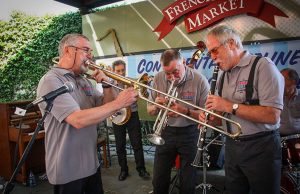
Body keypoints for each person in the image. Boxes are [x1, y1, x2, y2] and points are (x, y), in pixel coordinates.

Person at [37, 33, 138, 194]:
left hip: (91, 165)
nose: (90, 56)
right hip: (68, 169)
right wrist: (119, 102)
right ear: (68, 50)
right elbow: (77, 120)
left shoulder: (83, 80)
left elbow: (107, 107)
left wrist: (107, 85)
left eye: (91, 51)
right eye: (86, 50)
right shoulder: (52, 80)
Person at [199, 25, 284, 194]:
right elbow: (222, 116)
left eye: (215, 51)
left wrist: (228, 105)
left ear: (231, 43)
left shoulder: (263, 66)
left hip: (261, 147)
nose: (213, 58)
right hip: (231, 146)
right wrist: (210, 119)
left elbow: (272, 115)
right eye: (210, 54)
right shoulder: (223, 76)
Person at [147, 49, 209, 194]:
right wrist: (157, 105)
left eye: (175, 72)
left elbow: (207, 116)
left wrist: (184, 111)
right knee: (159, 179)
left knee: (188, 181)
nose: (171, 77)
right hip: (165, 132)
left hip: (190, 133)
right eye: (167, 73)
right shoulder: (158, 78)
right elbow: (150, 110)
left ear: (184, 63)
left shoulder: (199, 80)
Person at [110, 59, 150, 181]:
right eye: (118, 71)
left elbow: (145, 95)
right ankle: (123, 170)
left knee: (137, 143)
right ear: (113, 71)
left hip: (132, 114)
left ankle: (141, 169)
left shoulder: (131, 81)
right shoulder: (109, 85)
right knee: (120, 145)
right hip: (118, 117)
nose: (121, 73)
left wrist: (143, 89)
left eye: (123, 70)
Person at [279, 68, 300, 136]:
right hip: (279, 136)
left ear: (293, 82)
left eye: (282, 79)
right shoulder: (275, 96)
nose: (279, 82)